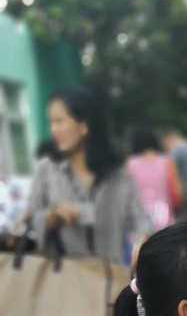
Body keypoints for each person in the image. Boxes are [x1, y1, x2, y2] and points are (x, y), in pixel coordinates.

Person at [25, 87, 152, 264]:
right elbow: (30, 219)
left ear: (84, 126)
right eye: (51, 122)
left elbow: (142, 220)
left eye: (59, 121)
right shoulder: (46, 170)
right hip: (62, 276)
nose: (53, 130)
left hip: (109, 275)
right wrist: (54, 215)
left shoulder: (118, 177)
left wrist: (143, 240)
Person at [127, 125, 183, 232]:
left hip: (139, 223)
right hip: (165, 221)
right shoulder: (168, 161)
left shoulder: (130, 164)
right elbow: (178, 193)